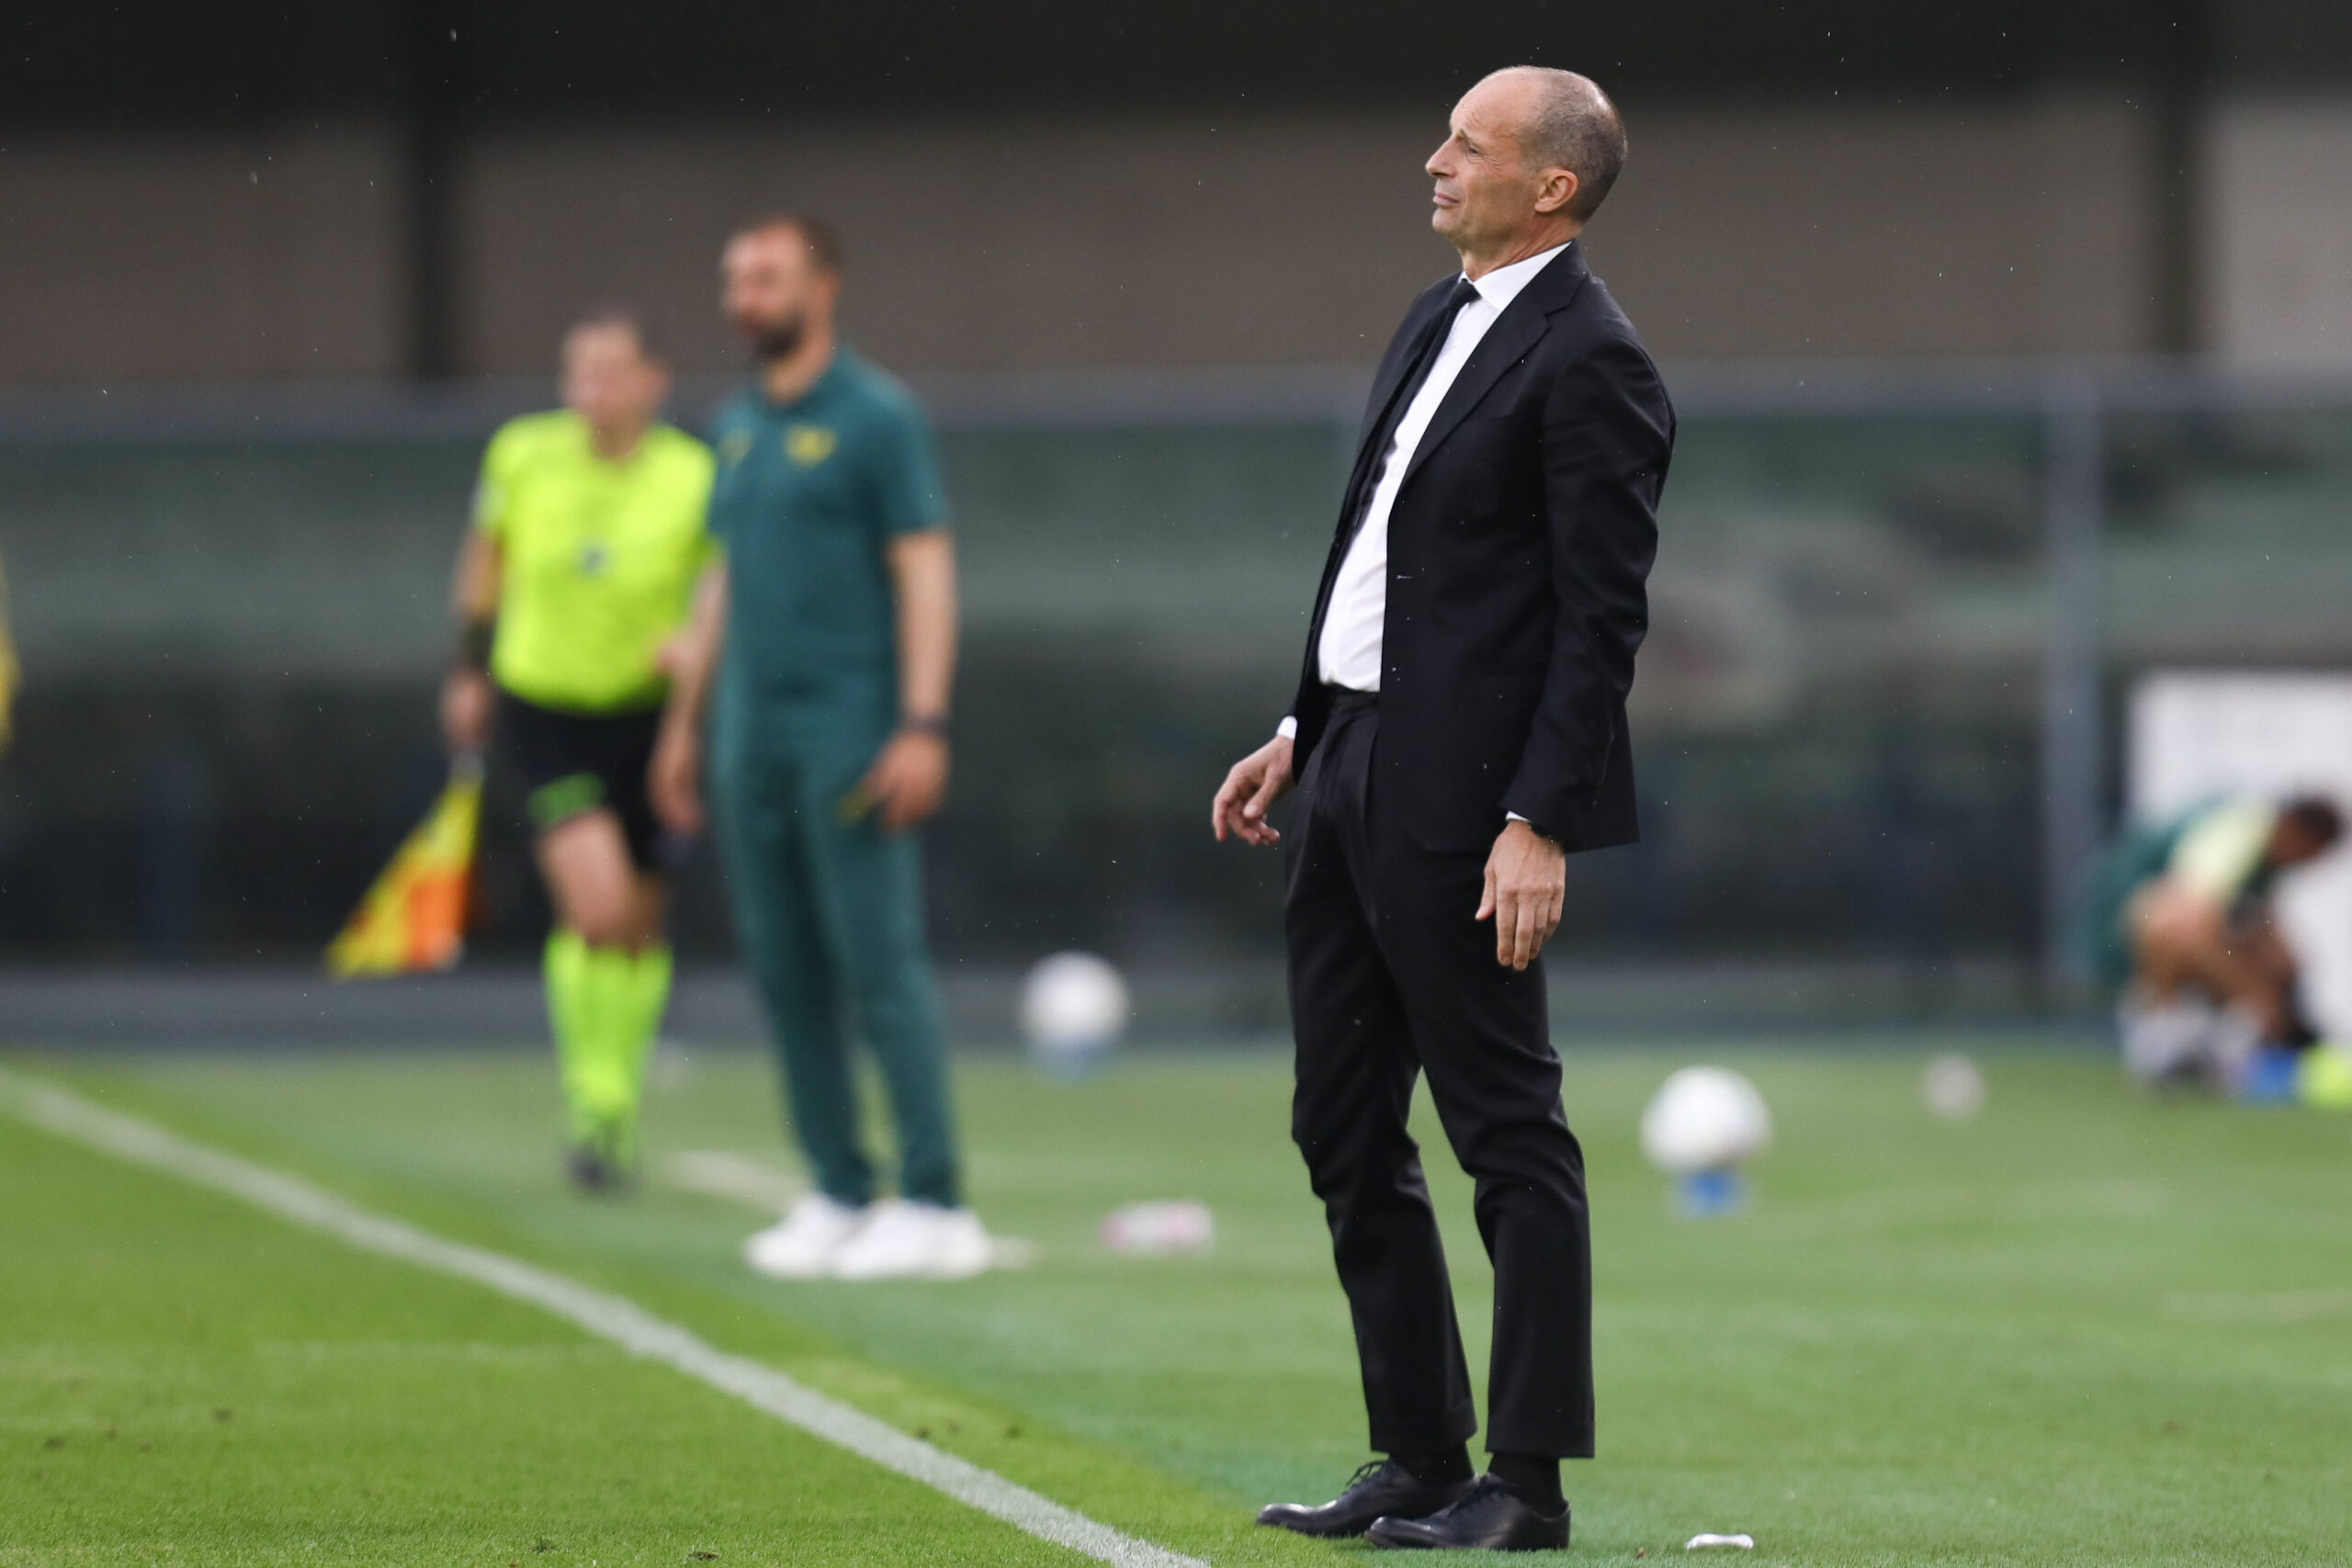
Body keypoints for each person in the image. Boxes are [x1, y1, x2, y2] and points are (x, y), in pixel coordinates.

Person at [1212, 67, 1671, 1553]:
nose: (1435, 160)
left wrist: (1540, 818)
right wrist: (1302, 725)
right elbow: (1376, 548)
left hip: (1469, 802)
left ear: (1551, 186)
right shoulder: (1435, 316)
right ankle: (1418, 1455)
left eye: (1469, 145)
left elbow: (1600, 620)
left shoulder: (1594, 359)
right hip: (1348, 762)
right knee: (1341, 1126)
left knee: (1506, 1131)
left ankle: (1525, 1482)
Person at [650, 214, 988, 1281]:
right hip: (748, 735)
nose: (743, 297)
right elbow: (720, 578)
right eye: (733, 278)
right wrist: (685, 724)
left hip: (849, 726)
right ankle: (838, 1190)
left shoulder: (877, 417)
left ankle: (934, 1203)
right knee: (783, 968)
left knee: (876, 964)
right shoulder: (735, 423)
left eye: (765, 277)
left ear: (822, 286)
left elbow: (925, 572)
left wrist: (922, 724)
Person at [442, 309, 715, 1190]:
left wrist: (694, 659)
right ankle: (592, 1092)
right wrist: (469, 664)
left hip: (647, 718)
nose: (588, 390)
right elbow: (485, 557)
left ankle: (615, 1104)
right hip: (545, 709)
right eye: (576, 372)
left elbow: (717, 587)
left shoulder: (693, 475)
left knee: (637, 925)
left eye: (608, 372)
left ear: (652, 382)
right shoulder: (523, 454)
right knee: (595, 910)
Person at [2081, 795, 2344, 1088]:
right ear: (2298, 833)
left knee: (2276, 960)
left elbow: (2274, 946)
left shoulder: (2268, 863)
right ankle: (2166, 1030)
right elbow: (2186, 921)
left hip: (2164, 928)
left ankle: (2240, 1041)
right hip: (2123, 933)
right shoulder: (2238, 838)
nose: (2312, 863)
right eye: (2316, 853)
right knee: (2172, 928)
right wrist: (2254, 995)